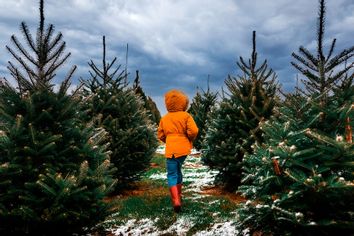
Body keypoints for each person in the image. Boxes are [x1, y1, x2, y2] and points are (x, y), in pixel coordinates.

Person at [157, 89, 198, 213]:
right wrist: (188, 139)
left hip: (171, 149)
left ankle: (176, 200)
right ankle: (179, 196)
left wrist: (168, 140)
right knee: (178, 170)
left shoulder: (165, 118)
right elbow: (194, 131)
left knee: (171, 174)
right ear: (183, 102)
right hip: (183, 149)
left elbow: (160, 135)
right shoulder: (186, 116)